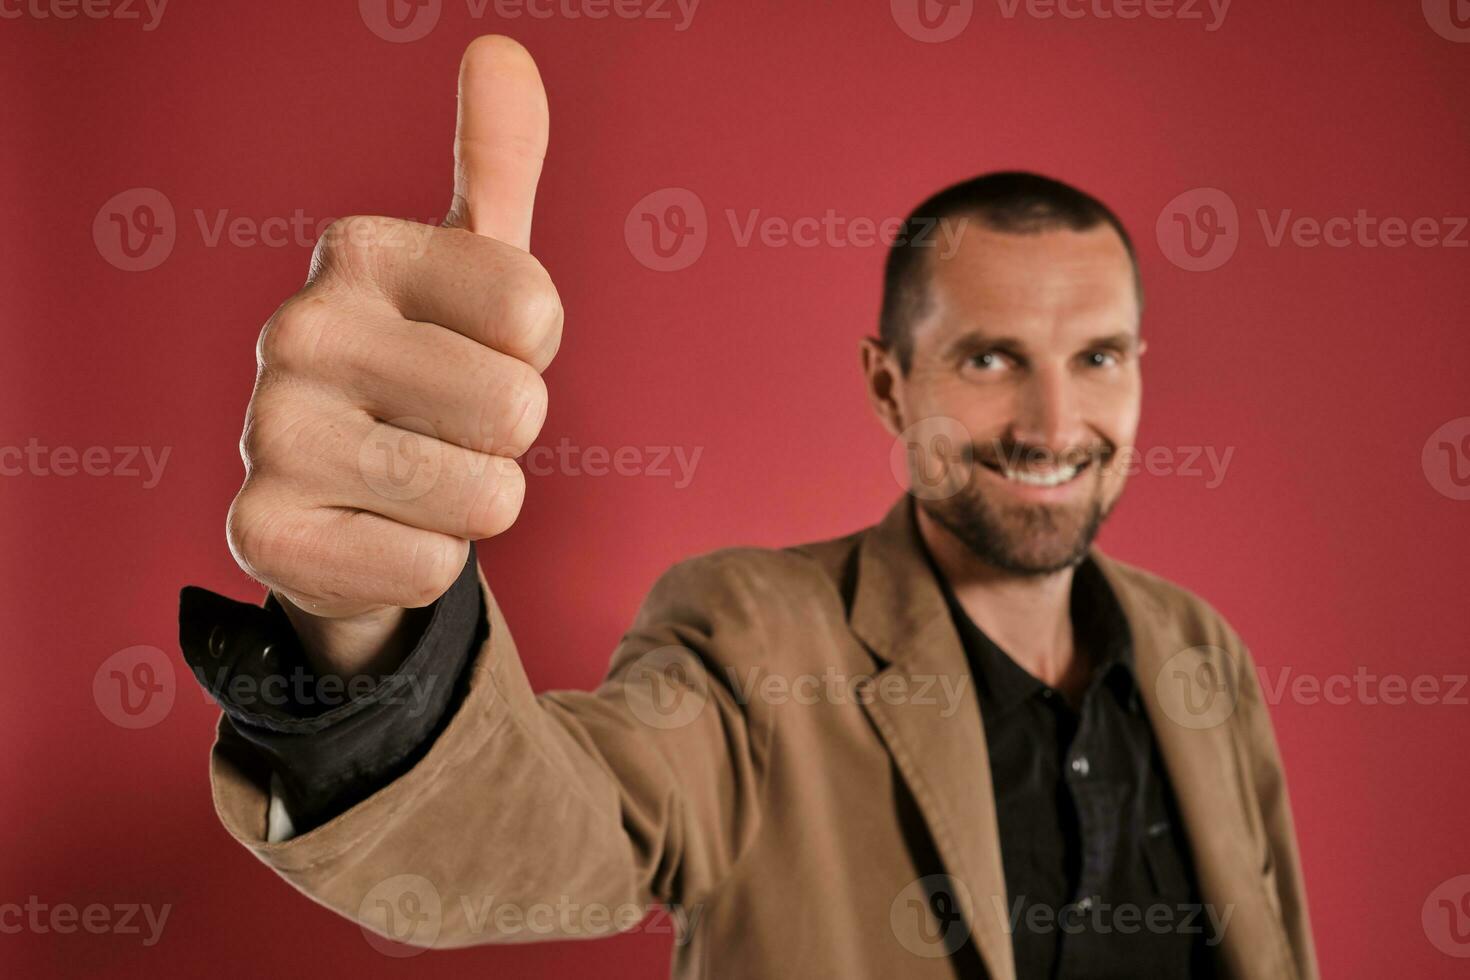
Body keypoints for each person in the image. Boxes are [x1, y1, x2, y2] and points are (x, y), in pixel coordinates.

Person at [179, 35, 1316, 980]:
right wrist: (375, 634)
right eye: (989, 359)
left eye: (1102, 355)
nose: (1055, 420)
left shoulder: (1200, 653)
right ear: (887, 383)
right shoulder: (753, 633)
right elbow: (542, 827)